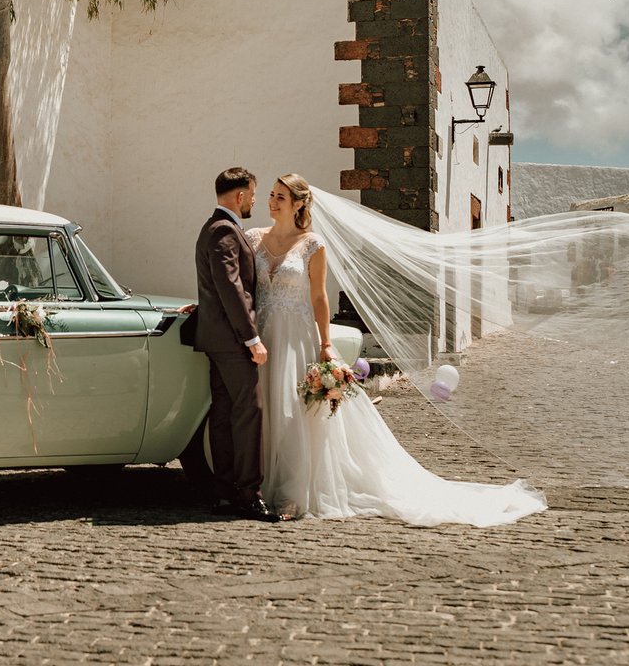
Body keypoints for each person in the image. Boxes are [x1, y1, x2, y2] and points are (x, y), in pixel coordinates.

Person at [249, 174, 546, 526]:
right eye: (270, 195)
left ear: (299, 203)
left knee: (295, 412)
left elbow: (319, 297)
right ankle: (255, 486)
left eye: (280, 196)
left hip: (296, 335)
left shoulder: (312, 244)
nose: (272, 201)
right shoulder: (253, 238)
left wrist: (326, 344)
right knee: (263, 408)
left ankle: (292, 494)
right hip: (261, 333)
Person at [192, 168, 275, 522]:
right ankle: (249, 495)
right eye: (253, 194)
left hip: (216, 339)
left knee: (225, 416)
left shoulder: (211, 228)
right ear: (240, 196)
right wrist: (251, 338)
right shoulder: (225, 230)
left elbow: (216, 286)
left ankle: (224, 494)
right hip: (232, 341)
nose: (255, 200)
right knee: (248, 414)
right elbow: (231, 288)